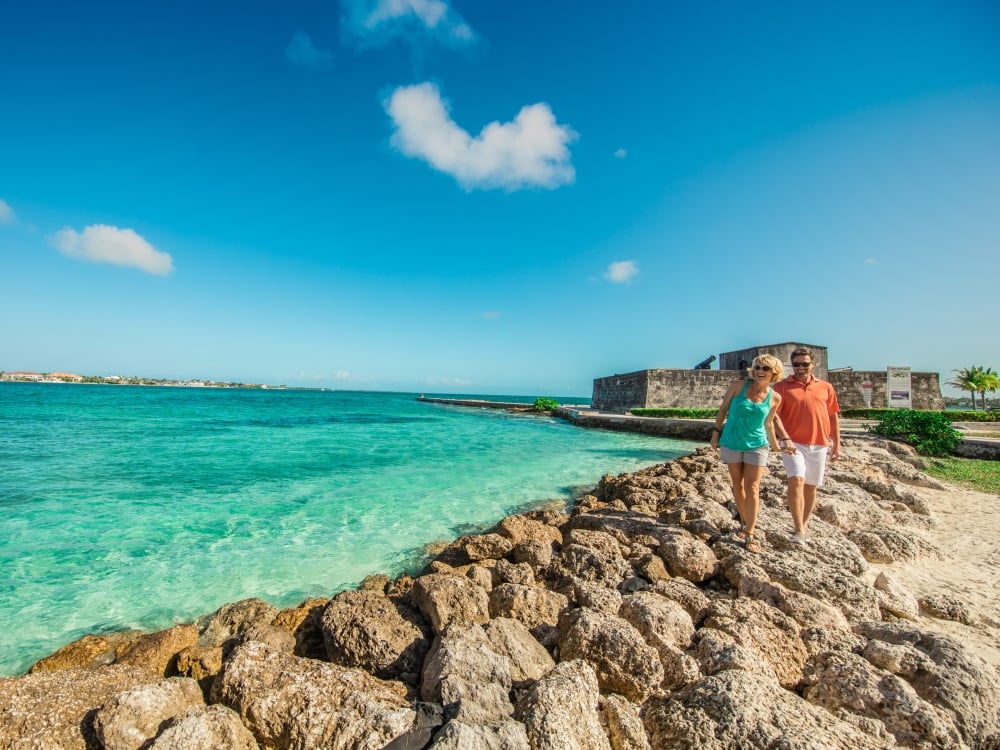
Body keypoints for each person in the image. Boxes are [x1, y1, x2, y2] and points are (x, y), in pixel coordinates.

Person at [710, 354, 796, 553]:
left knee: (753, 487)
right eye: (757, 367)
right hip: (731, 441)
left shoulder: (775, 397)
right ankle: (744, 521)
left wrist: (777, 445)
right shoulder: (737, 386)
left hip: (757, 445)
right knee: (737, 486)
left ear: (774, 372)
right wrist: (715, 434)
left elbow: (769, 422)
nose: (759, 371)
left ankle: (750, 532)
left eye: (765, 368)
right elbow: (723, 410)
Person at [773, 347, 841, 545]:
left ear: (813, 364)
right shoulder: (782, 387)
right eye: (796, 364)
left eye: (805, 364)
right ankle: (799, 529)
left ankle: (803, 525)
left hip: (819, 443)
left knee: (811, 487)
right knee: (796, 480)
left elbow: (833, 416)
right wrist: (782, 438)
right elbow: (773, 415)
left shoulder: (826, 387)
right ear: (791, 365)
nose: (800, 368)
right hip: (793, 444)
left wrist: (836, 444)